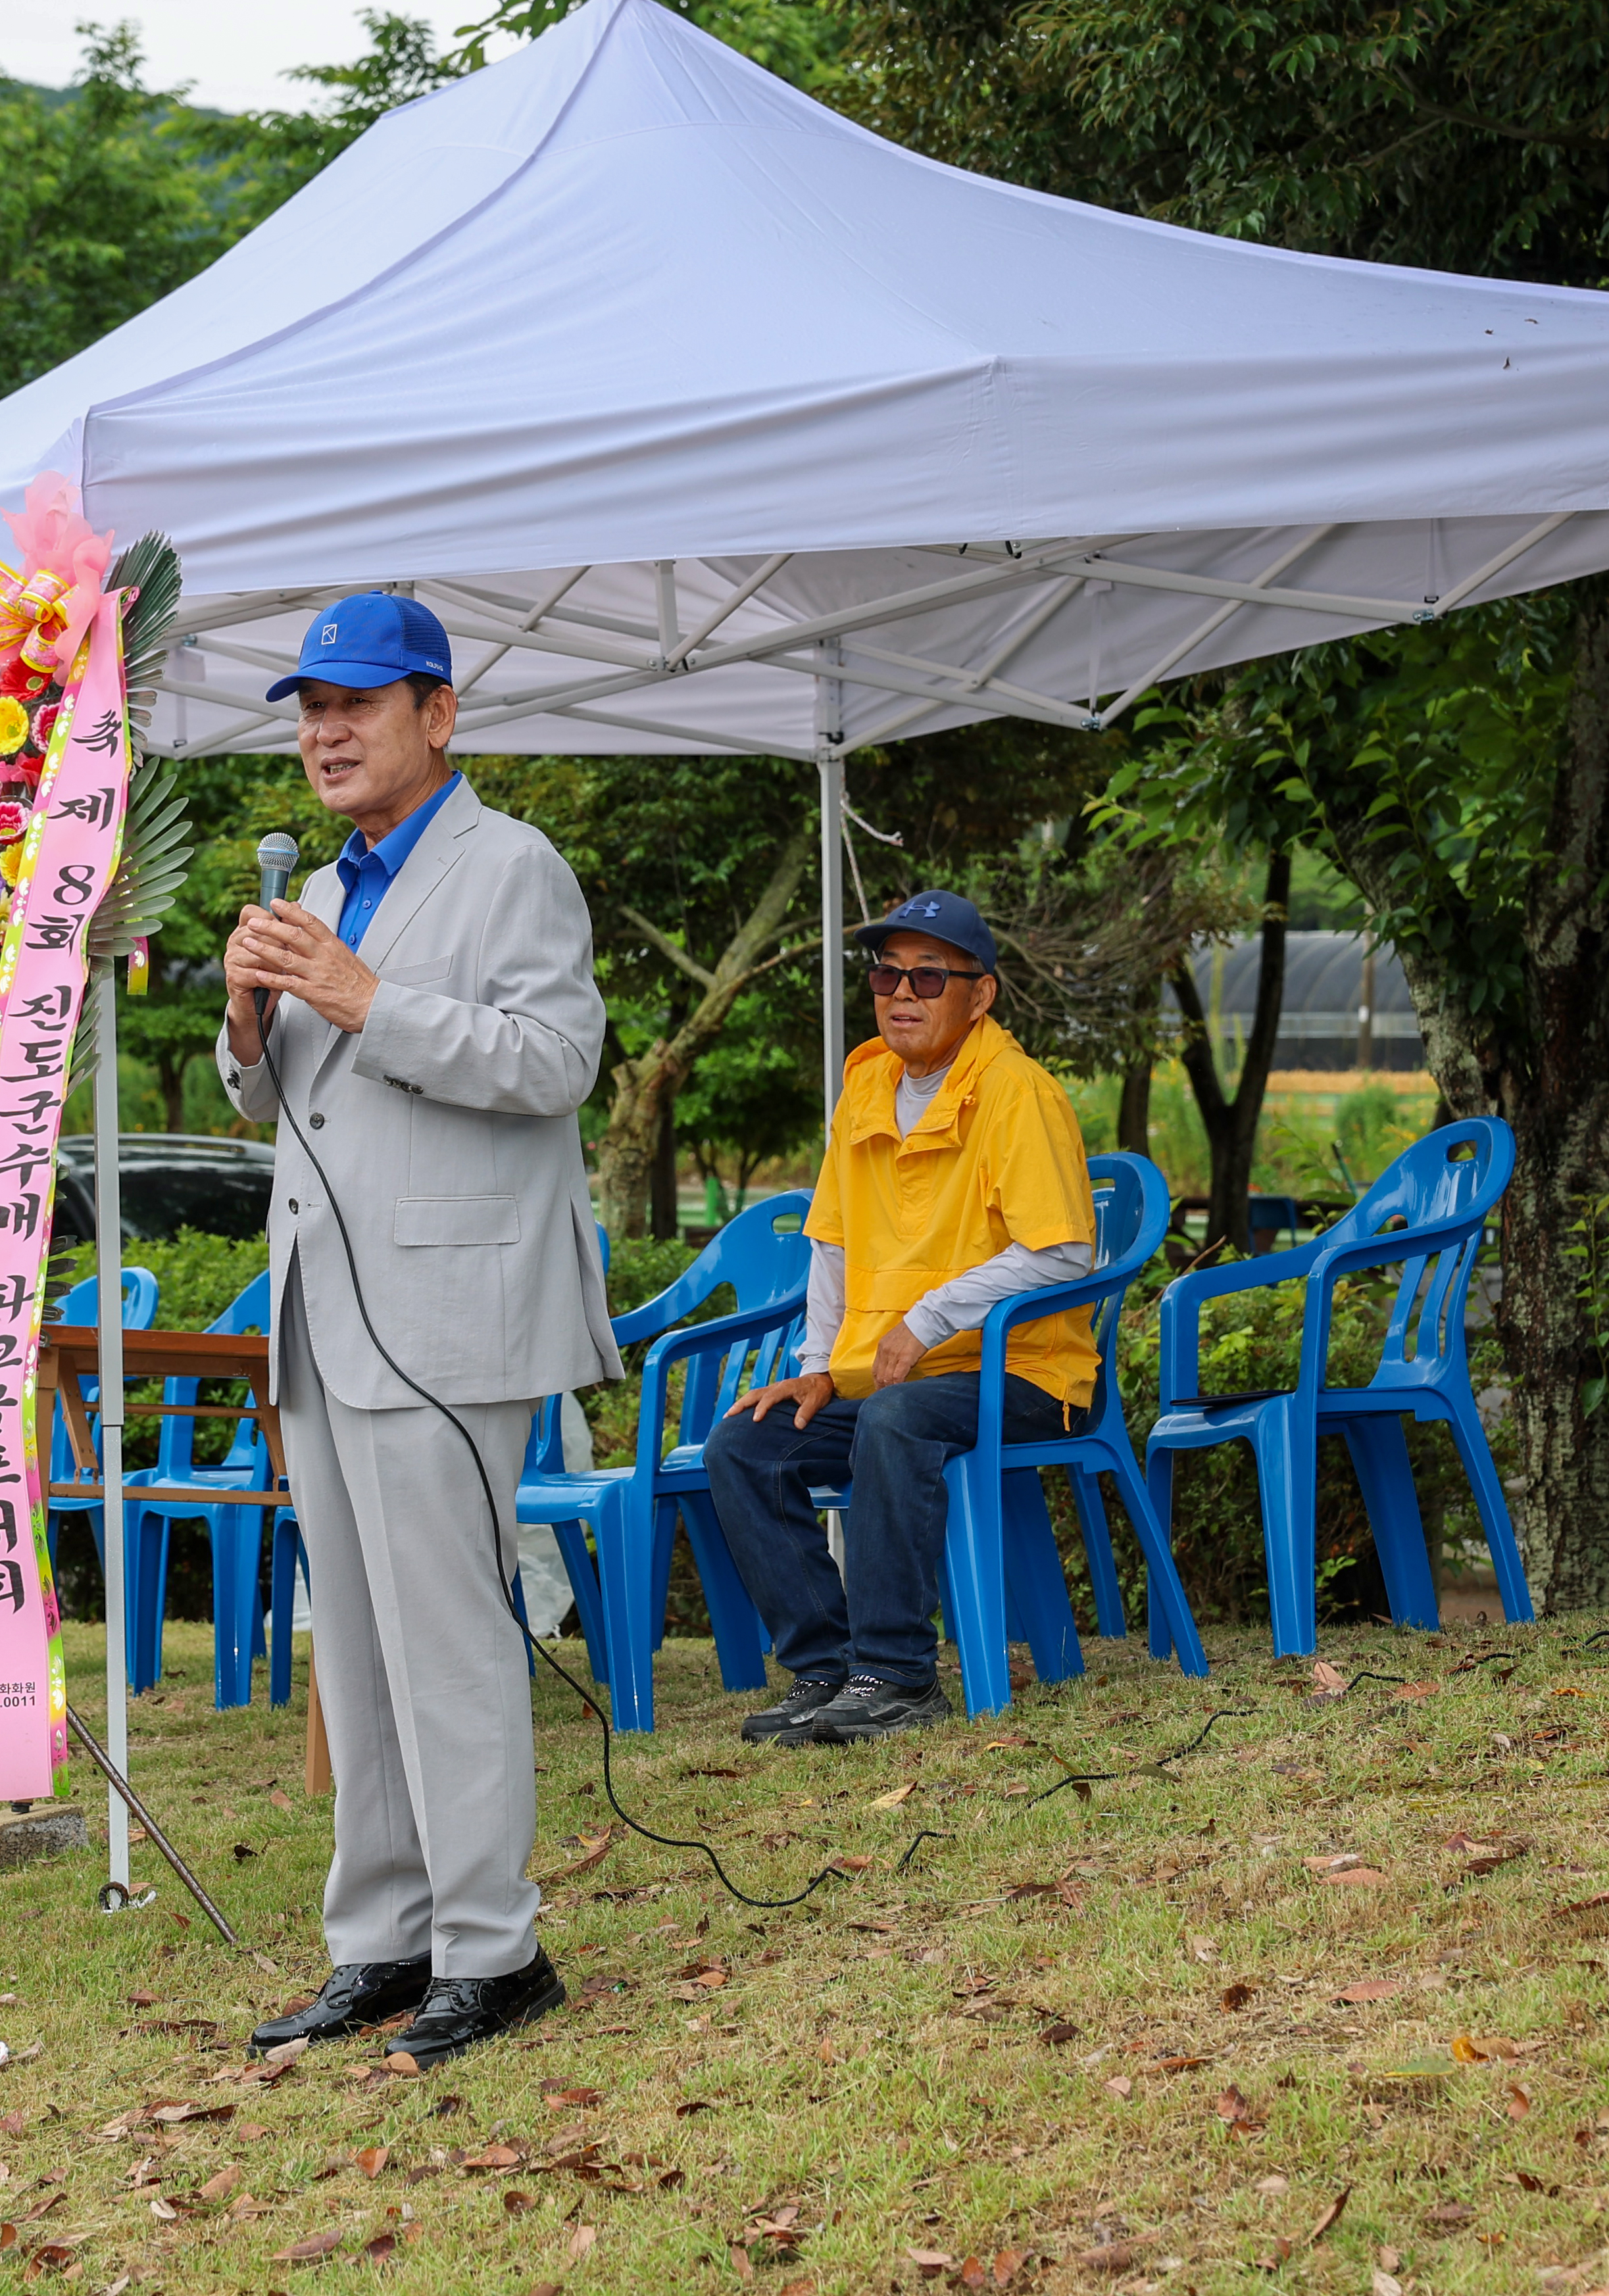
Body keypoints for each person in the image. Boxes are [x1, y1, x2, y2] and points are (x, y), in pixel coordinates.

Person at [220, 592, 619, 2068]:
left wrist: (367, 999)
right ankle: (382, 1942)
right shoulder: (319, 888)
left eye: (357, 706)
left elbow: (558, 1060)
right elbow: (281, 1099)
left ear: (437, 715)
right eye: (310, 711)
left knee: (446, 1635)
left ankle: (493, 1949)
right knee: (355, 1641)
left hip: (449, 1312)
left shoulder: (513, 866)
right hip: (322, 1309)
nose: (325, 734)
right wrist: (249, 1026)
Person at [704, 891, 1100, 1746]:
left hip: (1024, 1372)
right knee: (745, 1443)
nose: (902, 993)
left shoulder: (1017, 1092)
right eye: (887, 975)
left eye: (928, 976)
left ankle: (896, 1675)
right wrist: (816, 1365)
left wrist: (929, 1317)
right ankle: (826, 1669)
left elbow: (1066, 1252)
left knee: (895, 1418)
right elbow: (833, 1242)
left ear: (980, 994)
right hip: (892, 1380)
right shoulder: (867, 1087)